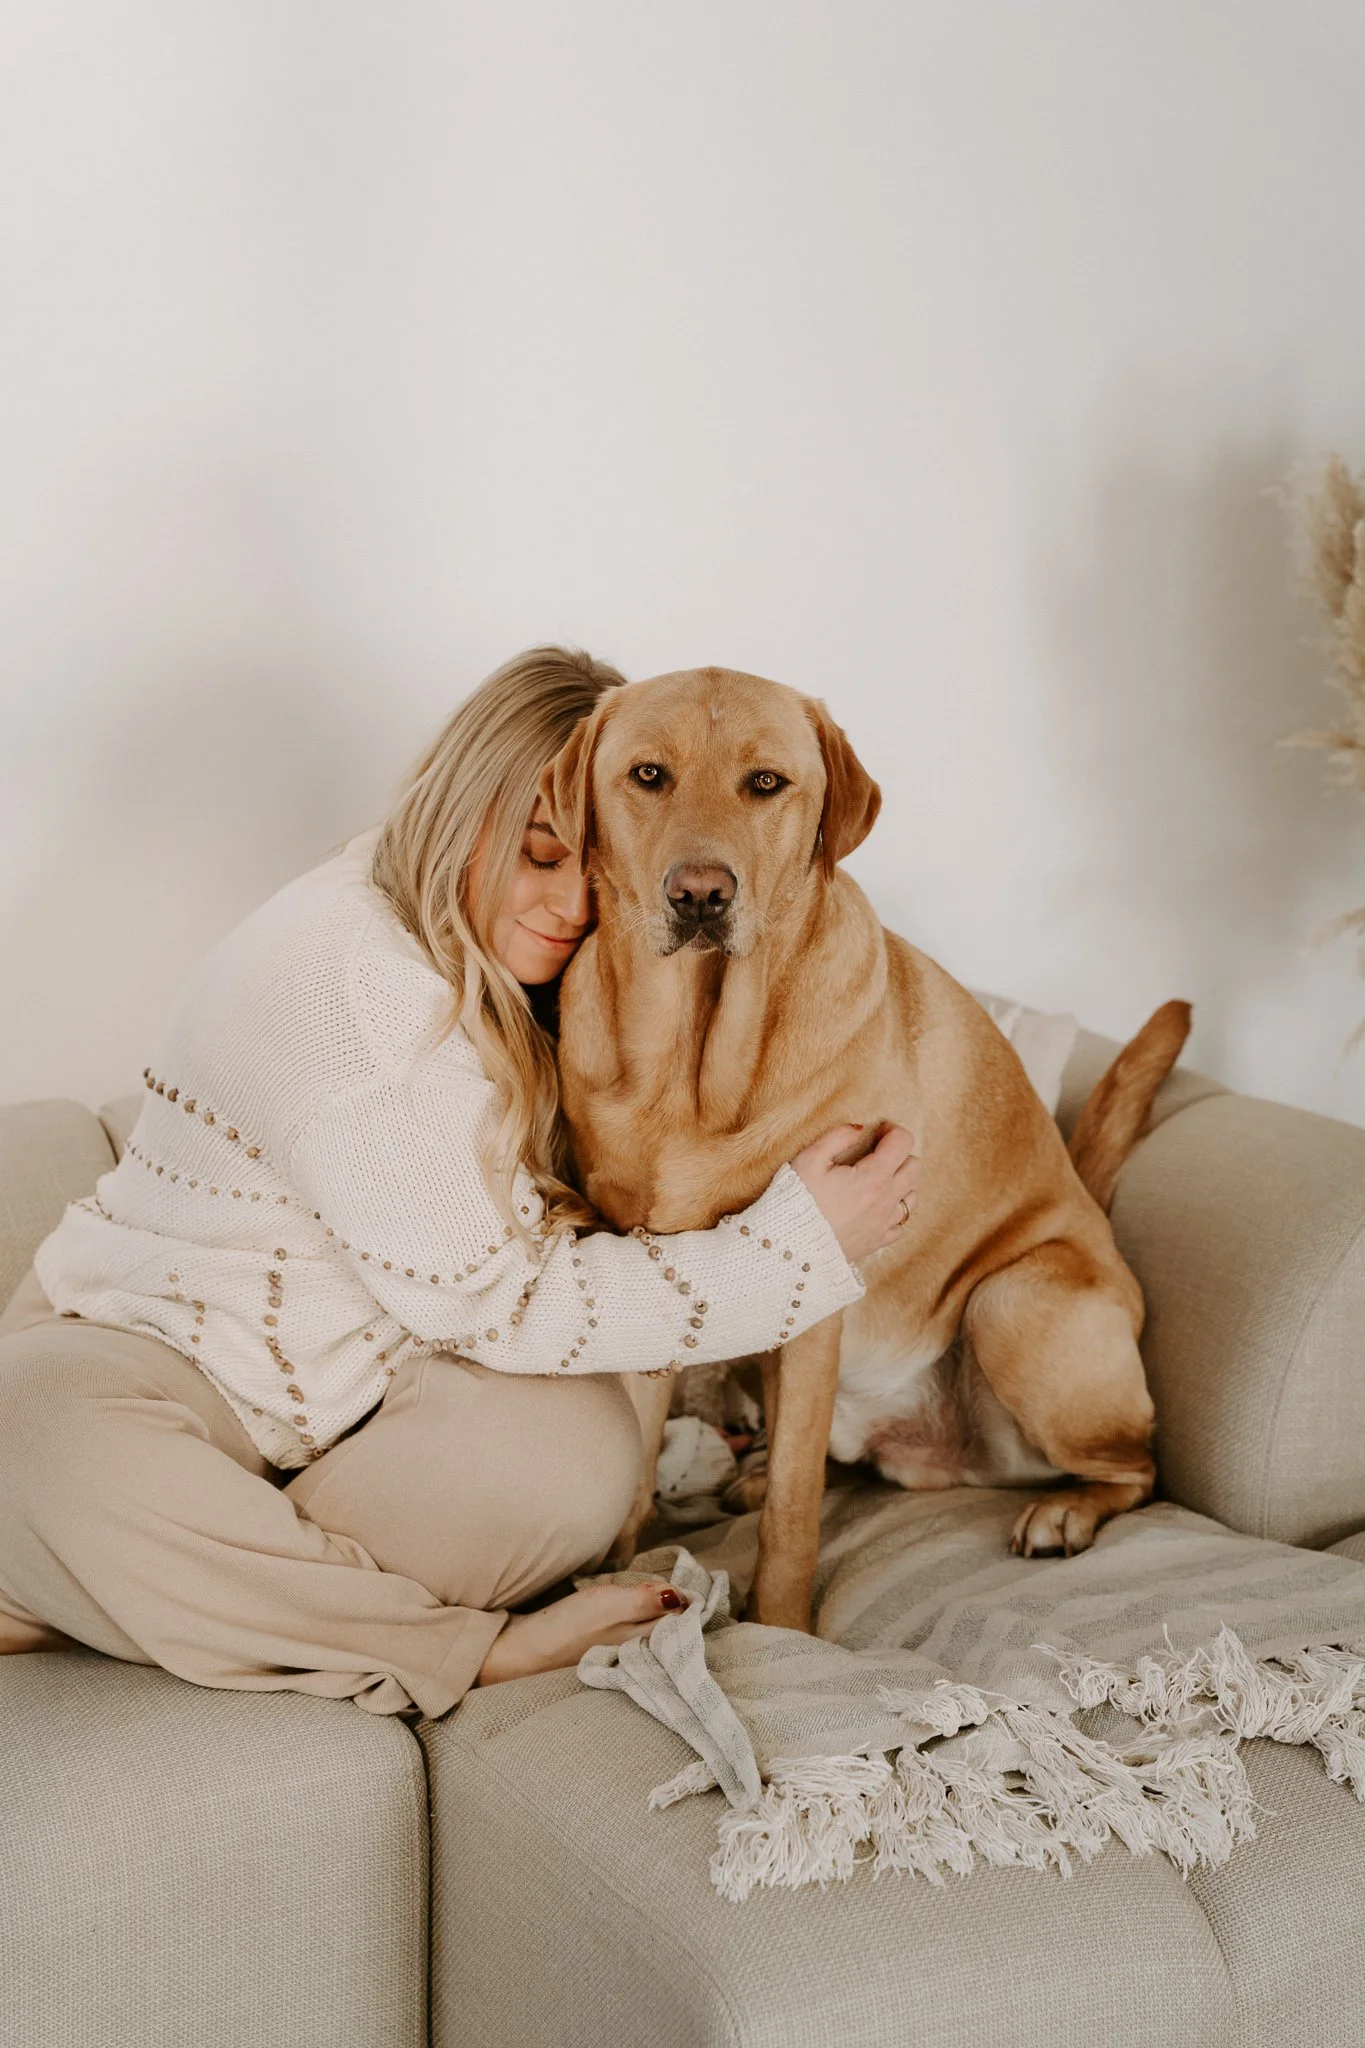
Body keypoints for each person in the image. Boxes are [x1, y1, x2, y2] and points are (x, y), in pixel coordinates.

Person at [0, 648, 919, 1718]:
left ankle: (117, 1591)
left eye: (595, 867)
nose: (571, 903)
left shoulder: (543, 966)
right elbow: (503, 1304)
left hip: (374, 1417)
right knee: (36, 1431)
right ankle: (461, 1648)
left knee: (576, 1460)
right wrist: (794, 1253)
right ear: (456, 812)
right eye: (539, 854)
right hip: (171, 1368)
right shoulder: (354, 984)